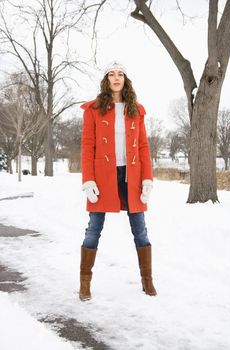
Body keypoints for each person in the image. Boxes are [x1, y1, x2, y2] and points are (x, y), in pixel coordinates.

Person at [79, 61, 157, 301]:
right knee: (94, 228)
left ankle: (147, 281)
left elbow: (143, 146)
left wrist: (147, 178)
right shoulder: (93, 109)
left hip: (130, 175)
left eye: (120, 74)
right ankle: (84, 284)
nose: (116, 77)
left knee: (140, 228)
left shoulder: (136, 110)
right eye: (111, 74)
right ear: (106, 80)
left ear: (125, 79)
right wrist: (88, 180)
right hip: (103, 176)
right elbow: (87, 146)